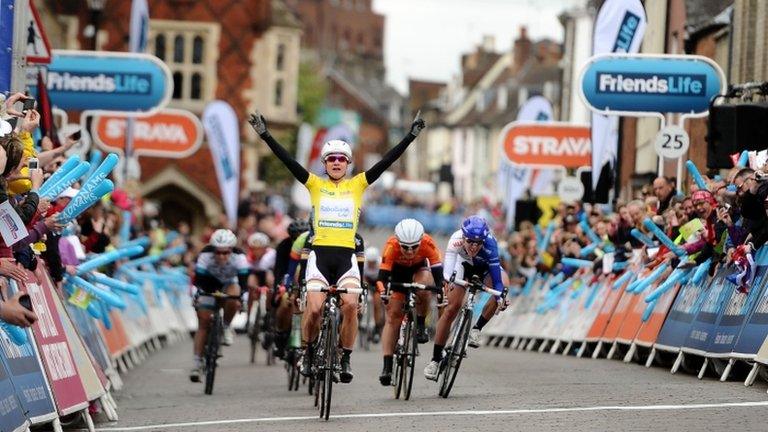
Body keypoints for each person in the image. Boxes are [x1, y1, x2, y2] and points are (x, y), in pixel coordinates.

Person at [249, 110, 425, 383]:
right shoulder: (315, 184)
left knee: (351, 307)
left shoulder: (357, 185)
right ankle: (307, 352)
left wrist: (411, 136)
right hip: (319, 255)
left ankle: (344, 357)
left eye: (341, 159)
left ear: (348, 163)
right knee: (316, 310)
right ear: (324, 163)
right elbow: (288, 161)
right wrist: (264, 134)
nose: (336, 162)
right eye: (331, 159)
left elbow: (387, 160)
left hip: (346, 258)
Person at [424, 216, 509, 381]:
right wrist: (447, 284)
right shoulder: (455, 240)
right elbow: (447, 273)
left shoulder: (491, 244)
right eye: (470, 241)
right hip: (462, 268)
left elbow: (497, 281)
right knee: (451, 309)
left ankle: (477, 329)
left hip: (484, 269)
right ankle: (435, 360)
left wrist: (500, 298)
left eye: (479, 243)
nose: (474, 246)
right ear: (463, 237)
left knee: (504, 287)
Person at [376, 218, 444, 386]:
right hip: (397, 274)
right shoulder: (391, 246)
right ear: (398, 242)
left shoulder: (428, 243)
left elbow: (438, 273)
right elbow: (381, 278)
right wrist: (384, 293)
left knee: (424, 286)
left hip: (418, 270)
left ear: (420, 241)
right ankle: (387, 366)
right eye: (405, 247)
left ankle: (420, 324)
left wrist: (441, 291)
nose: (410, 251)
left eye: (414, 246)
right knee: (393, 318)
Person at [189, 229, 249, 383]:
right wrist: (195, 294)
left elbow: (243, 284)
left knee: (234, 296)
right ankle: (196, 363)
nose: (222, 256)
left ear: (232, 250)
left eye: (226, 253)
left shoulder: (240, 257)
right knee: (203, 322)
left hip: (229, 284)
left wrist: (244, 299)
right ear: (213, 250)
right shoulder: (205, 255)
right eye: (219, 252)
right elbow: (198, 281)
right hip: (208, 285)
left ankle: (227, 326)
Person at [270, 219, 310, 358]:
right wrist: (279, 287)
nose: (299, 238)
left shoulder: (312, 242)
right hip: (289, 277)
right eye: (295, 236)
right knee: (284, 302)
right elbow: (280, 269)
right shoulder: (284, 245)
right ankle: (280, 334)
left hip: (307, 279)